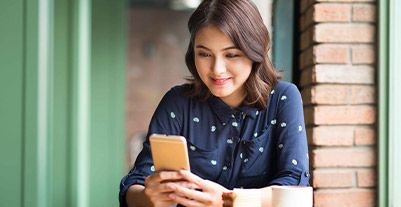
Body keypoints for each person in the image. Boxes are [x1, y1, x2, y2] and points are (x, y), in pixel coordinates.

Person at [119, 0, 310, 206]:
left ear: (255, 51)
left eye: (231, 54)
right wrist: (148, 197)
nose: (217, 69)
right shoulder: (177, 103)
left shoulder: (283, 98)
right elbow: (136, 182)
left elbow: (296, 191)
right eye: (204, 54)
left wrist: (228, 200)